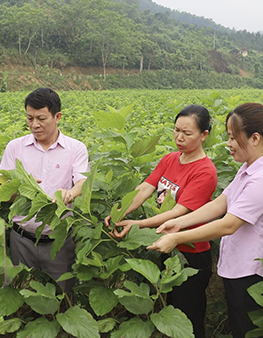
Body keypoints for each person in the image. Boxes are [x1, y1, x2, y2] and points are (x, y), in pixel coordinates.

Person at [147, 103, 263, 338]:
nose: (228, 144)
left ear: (255, 138)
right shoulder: (249, 169)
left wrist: (177, 237)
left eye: (232, 137)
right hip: (238, 267)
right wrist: (181, 223)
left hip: (253, 273)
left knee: (247, 331)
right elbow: (220, 203)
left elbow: (228, 224)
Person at [105, 104, 217, 338]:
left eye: (187, 133)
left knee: (188, 316)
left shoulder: (205, 171)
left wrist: (138, 225)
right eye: (176, 130)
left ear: (204, 135)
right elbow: (145, 188)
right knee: (166, 309)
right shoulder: (170, 159)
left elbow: (179, 212)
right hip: (164, 246)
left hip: (190, 253)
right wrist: (120, 211)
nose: (179, 137)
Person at [0, 87, 90, 293]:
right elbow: (3, 186)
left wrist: (70, 194)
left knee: (62, 297)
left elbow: (83, 182)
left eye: (41, 118)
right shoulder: (15, 147)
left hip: (60, 240)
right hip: (22, 238)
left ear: (57, 117)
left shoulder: (76, 148)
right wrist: (20, 187)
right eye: (29, 118)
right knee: (20, 296)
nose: (34, 125)